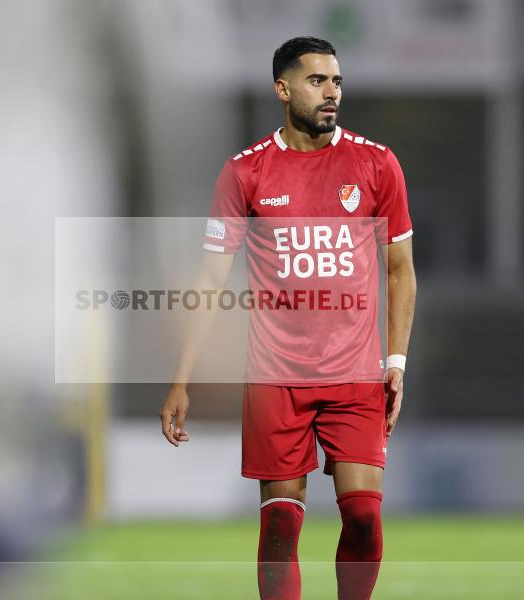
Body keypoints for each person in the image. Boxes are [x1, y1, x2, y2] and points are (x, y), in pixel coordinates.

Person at [160, 36, 416, 599]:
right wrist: (182, 377)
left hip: (354, 374)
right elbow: (210, 278)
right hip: (276, 377)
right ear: (283, 89)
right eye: (317, 81)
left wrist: (395, 360)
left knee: (365, 519)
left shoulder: (376, 164)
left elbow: (401, 270)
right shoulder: (246, 173)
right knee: (280, 525)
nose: (332, 93)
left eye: (337, 82)